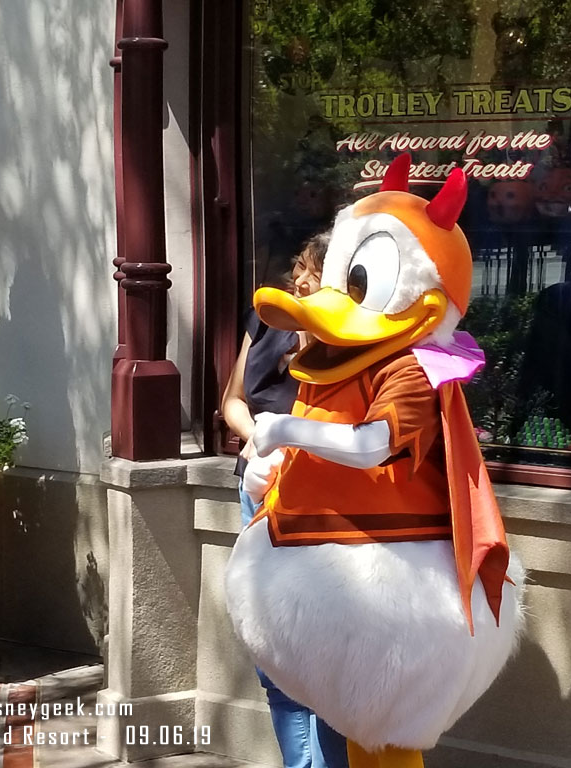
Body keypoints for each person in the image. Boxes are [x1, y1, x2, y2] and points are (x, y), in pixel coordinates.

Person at [221, 231, 348, 768]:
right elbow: (232, 399)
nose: (298, 277)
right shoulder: (267, 318)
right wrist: (255, 435)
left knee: (320, 655)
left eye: (312, 269)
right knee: (273, 655)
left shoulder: (354, 340)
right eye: (298, 264)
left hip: (316, 498)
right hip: (257, 485)